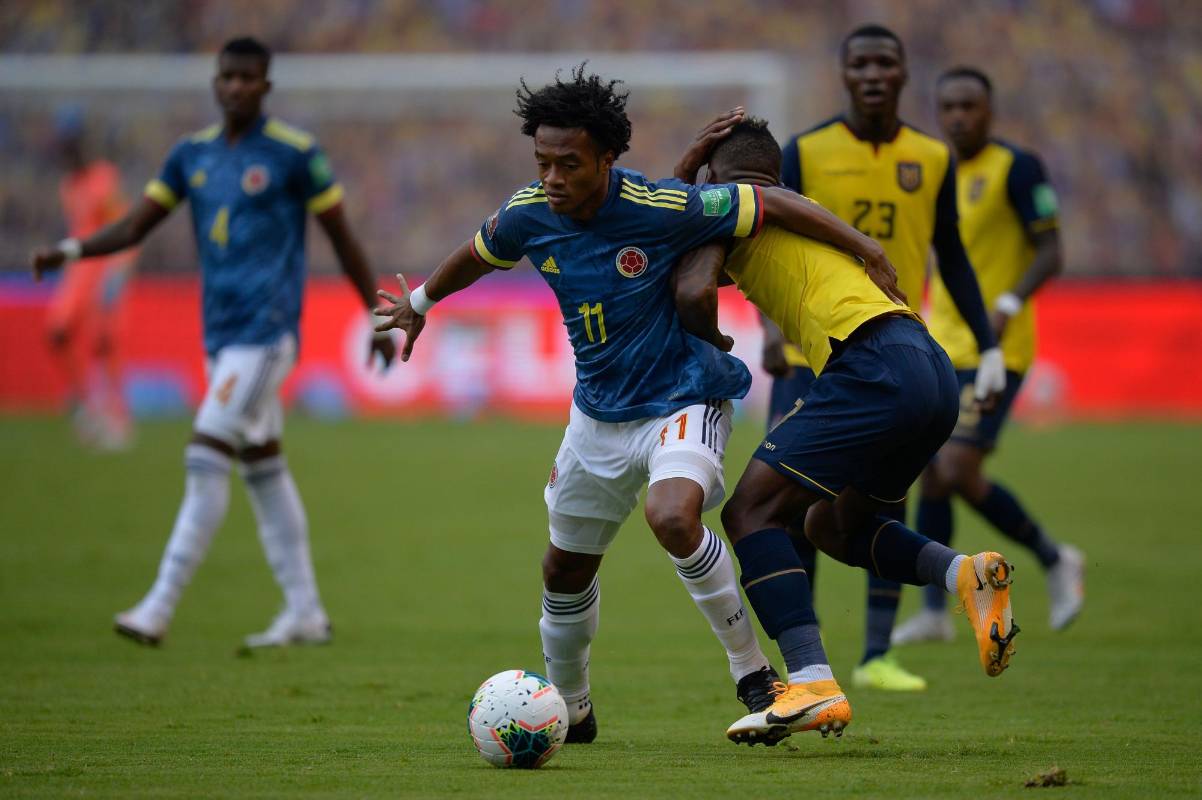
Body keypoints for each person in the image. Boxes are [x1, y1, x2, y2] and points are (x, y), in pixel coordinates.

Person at [372, 66, 902, 744]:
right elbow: (478, 253)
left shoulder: (659, 208)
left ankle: (754, 674)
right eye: (543, 162)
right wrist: (419, 305)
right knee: (564, 567)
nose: (554, 177)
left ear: (606, 158)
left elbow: (765, 203)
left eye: (569, 163)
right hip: (596, 416)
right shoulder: (530, 212)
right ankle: (571, 706)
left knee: (673, 515)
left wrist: (865, 246)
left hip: (684, 396)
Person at [31, 37, 395, 648]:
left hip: (267, 333)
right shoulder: (190, 156)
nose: (235, 87)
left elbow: (342, 238)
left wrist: (376, 317)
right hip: (220, 335)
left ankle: (158, 604)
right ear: (216, 81)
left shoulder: (294, 154)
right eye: (227, 77)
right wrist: (71, 250)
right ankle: (305, 610)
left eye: (248, 78)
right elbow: (133, 226)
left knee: (205, 454)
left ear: (266, 86)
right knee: (263, 466)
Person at [672, 115, 1020, 747]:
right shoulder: (788, 207)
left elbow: (692, 286)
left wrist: (715, 344)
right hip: (928, 367)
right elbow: (695, 259)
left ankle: (810, 683)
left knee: (750, 512)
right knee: (834, 525)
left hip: (871, 363)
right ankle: (964, 575)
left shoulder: (732, 207)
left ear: (718, 179)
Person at [772, 23, 1007, 692]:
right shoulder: (807, 151)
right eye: (860, 64)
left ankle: (877, 654)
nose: (873, 74)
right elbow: (770, 242)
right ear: (844, 75)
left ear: (904, 75)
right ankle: (806, 656)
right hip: (805, 351)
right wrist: (768, 325)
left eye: (885, 63)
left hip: (890, 349)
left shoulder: (932, 157)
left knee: (881, 499)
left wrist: (989, 344)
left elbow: (952, 256)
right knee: (787, 502)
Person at [892, 67, 1084, 645]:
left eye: (969, 106)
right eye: (948, 106)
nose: (958, 116)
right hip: (940, 342)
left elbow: (1052, 250)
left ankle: (1053, 558)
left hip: (999, 347)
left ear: (989, 110)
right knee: (932, 473)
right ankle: (932, 612)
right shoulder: (934, 172)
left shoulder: (1017, 167)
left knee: (955, 468)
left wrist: (1006, 303)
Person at [44, 108, 136, 450]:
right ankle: (84, 405)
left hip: (103, 264)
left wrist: (120, 270)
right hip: (78, 268)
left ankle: (116, 414)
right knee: (57, 330)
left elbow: (122, 226)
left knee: (104, 341)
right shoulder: (69, 185)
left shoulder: (103, 178)